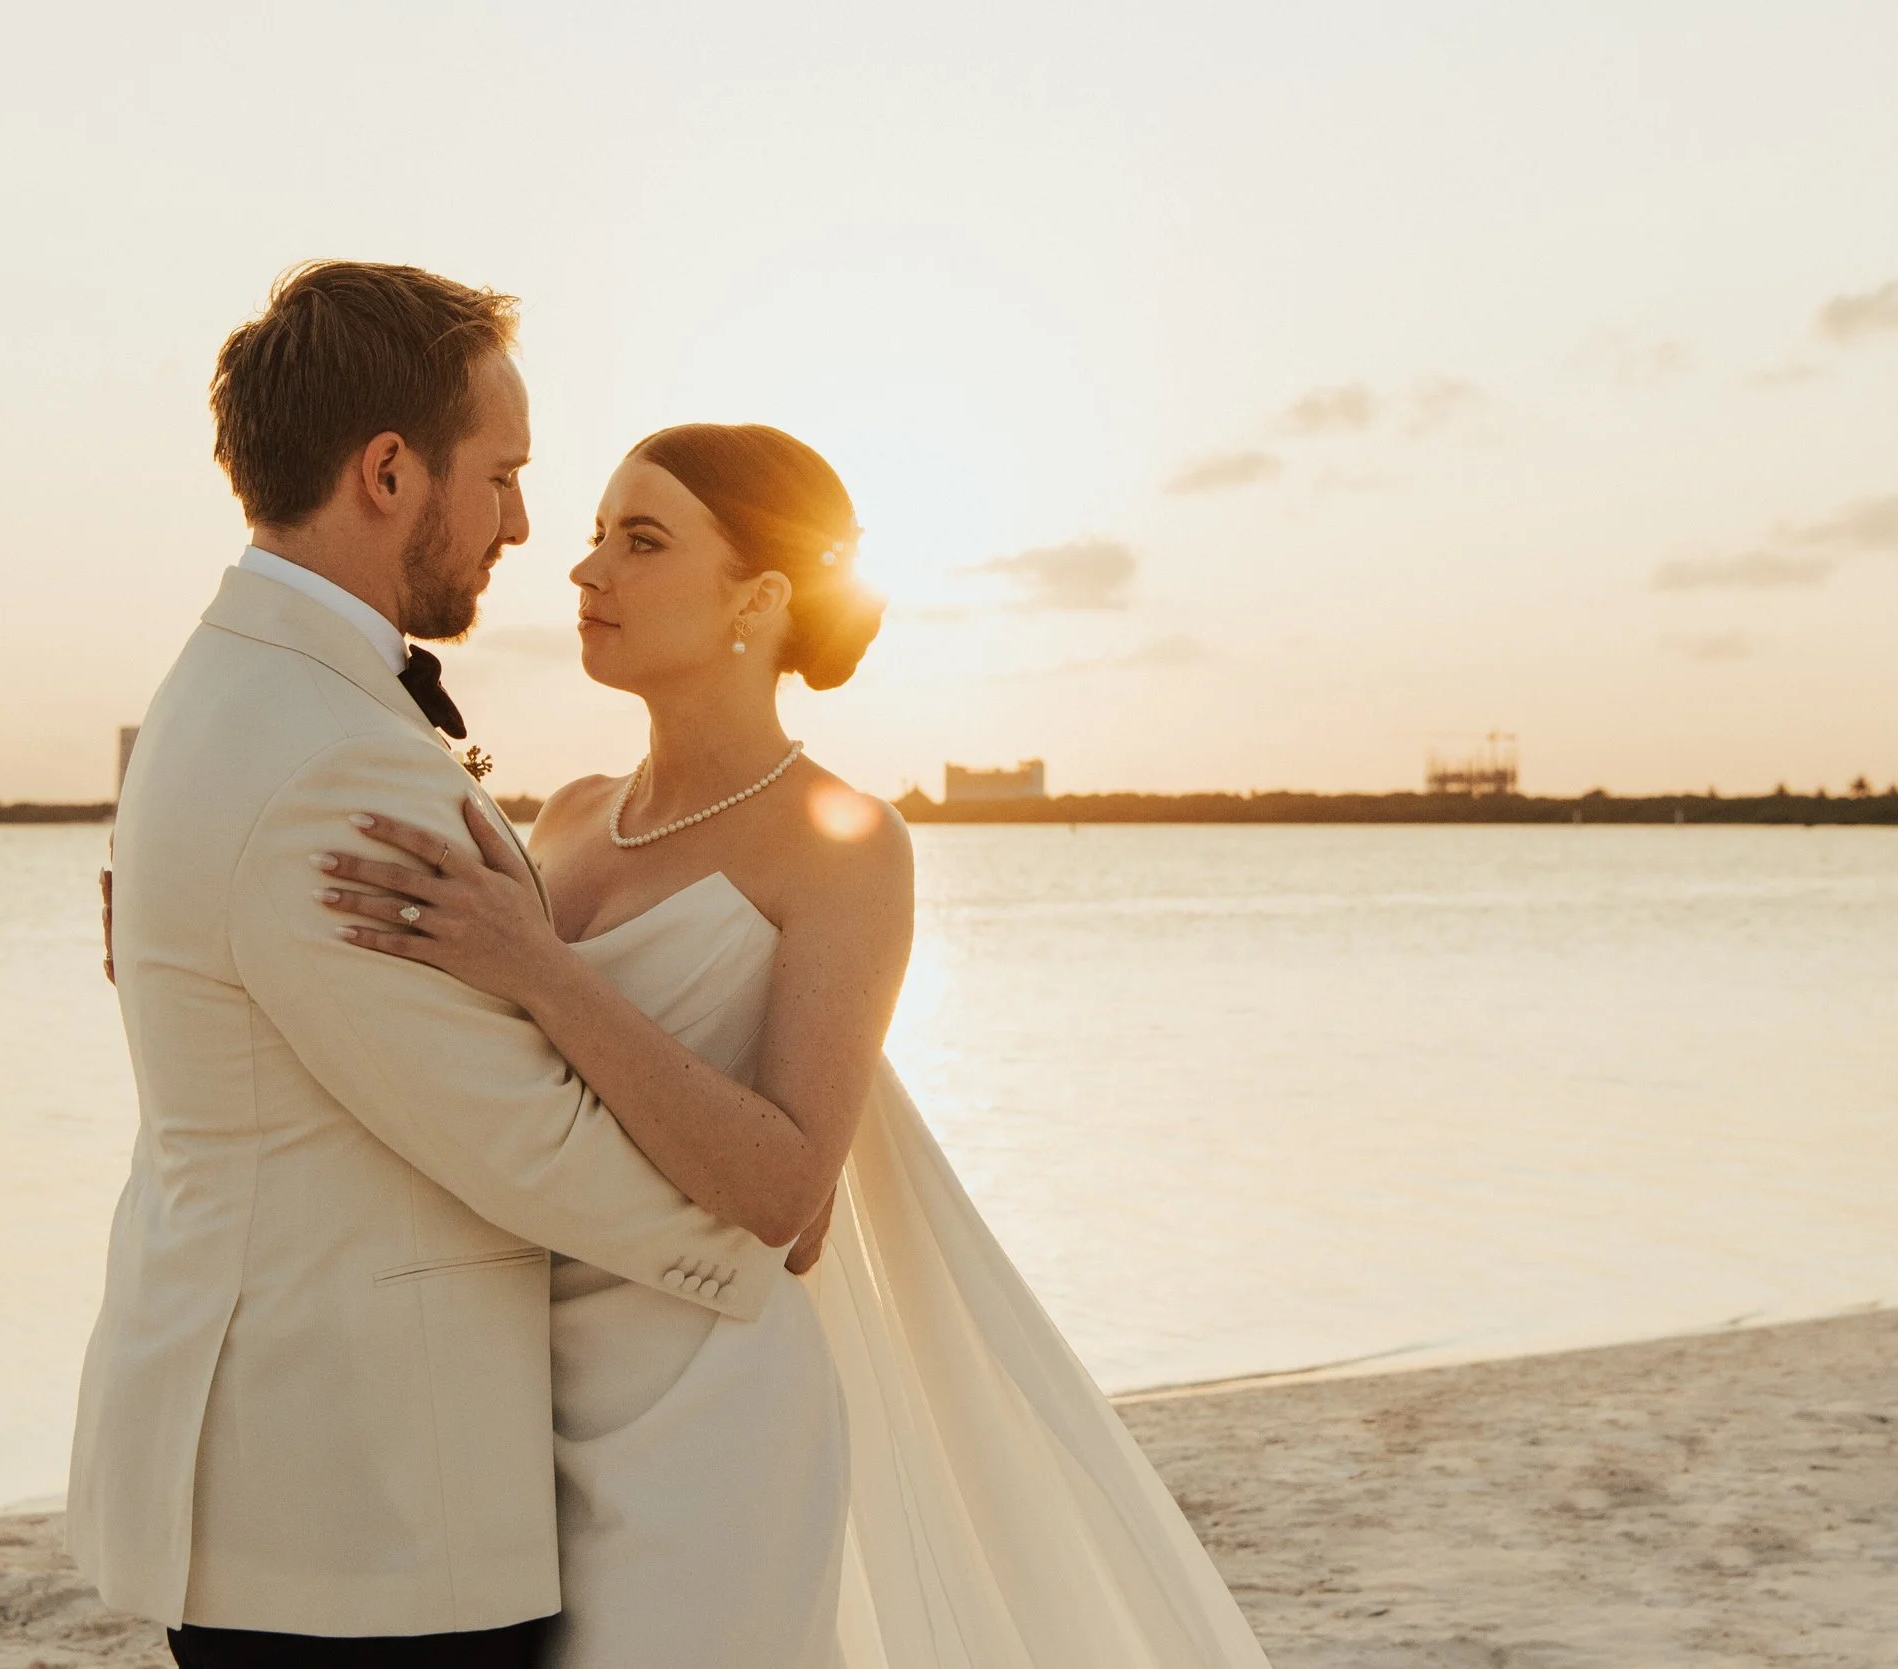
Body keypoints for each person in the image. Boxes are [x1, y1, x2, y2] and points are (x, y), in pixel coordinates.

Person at [317, 424, 1276, 1668]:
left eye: (642, 539)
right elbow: (455, 1061)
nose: (585, 570)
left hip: (709, 1421)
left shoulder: (845, 843)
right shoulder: (564, 819)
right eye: (596, 533)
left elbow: (786, 1190)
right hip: (513, 1396)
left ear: (759, 598)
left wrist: (540, 969)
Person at [67, 263, 798, 1669]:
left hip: (285, 1487)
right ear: (390, 471)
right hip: (363, 1512)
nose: (526, 525)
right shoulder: (331, 756)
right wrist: (765, 1234)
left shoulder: (230, 688)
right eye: (505, 476)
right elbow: (518, 1134)